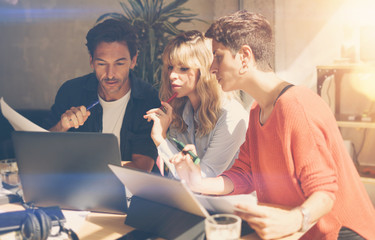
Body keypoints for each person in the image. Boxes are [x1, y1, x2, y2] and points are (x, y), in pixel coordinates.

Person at [170, 10, 375, 240]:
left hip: (341, 234)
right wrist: (198, 183)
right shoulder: (257, 110)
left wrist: (295, 219)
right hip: (298, 232)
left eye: (218, 57)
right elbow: (245, 174)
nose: (212, 68)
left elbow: (325, 192)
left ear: (245, 57)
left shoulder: (297, 106)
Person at [46, 18, 160, 172]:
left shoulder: (147, 98)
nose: (110, 74)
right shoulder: (71, 91)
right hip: (77, 190)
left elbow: (141, 168)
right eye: (102, 64)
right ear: (91, 61)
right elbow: (43, 151)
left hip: (130, 191)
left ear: (133, 60)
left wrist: (84, 165)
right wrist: (62, 126)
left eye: (119, 63)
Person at [143, 30, 248, 178]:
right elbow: (177, 177)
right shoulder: (181, 111)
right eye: (170, 67)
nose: (172, 75)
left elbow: (205, 177)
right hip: (192, 198)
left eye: (184, 68)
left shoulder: (231, 115)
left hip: (227, 200)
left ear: (204, 71)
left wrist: (160, 139)